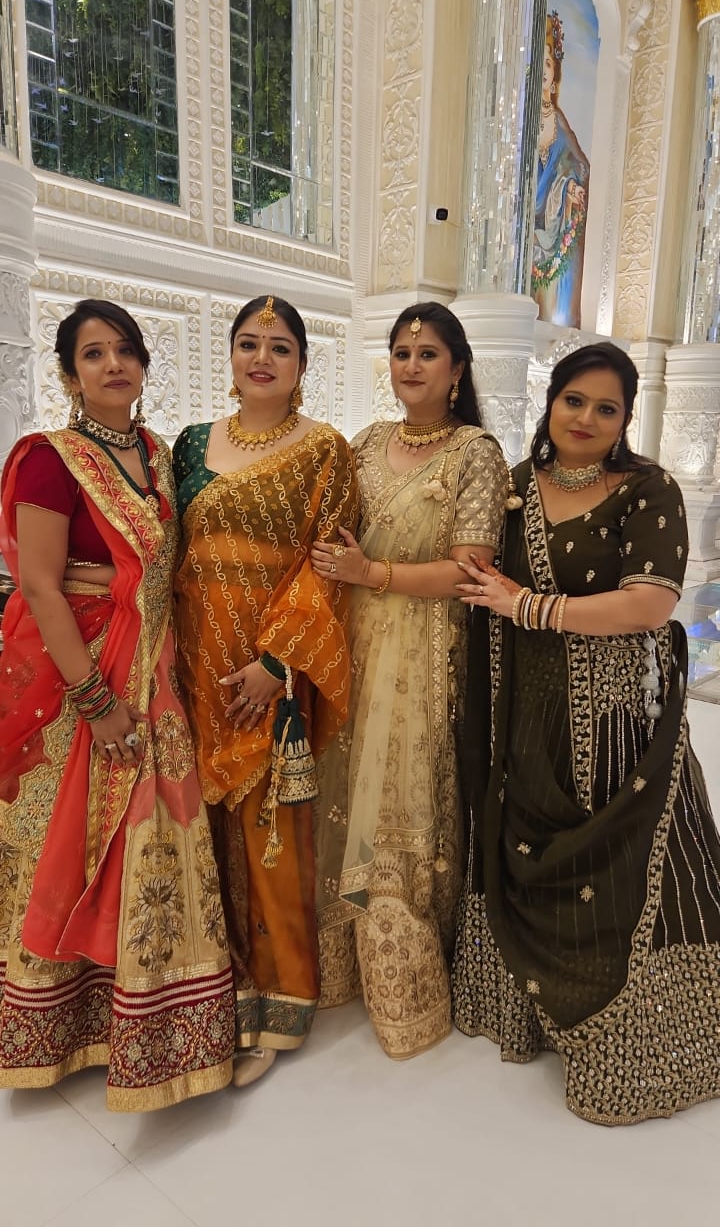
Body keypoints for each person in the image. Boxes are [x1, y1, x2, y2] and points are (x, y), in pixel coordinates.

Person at [453, 341, 720, 1125]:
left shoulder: (647, 490)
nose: (586, 418)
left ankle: (637, 1030)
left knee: (625, 869)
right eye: (574, 400)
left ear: (626, 419)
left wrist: (528, 606)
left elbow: (649, 605)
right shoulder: (512, 488)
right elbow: (467, 574)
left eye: (607, 408)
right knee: (527, 844)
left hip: (619, 717)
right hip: (525, 706)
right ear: (551, 402)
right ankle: (530, 1008)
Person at [0, 299, 235, 1111]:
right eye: (93, 353)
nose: (113, 365)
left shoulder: (159, 455)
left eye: (126, 350)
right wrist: (97, 702)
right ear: (70, 375)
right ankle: (57, 1023)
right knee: (69, 843)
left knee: (154, 834)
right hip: (83, 680)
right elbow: (39, 584)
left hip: (155, 670)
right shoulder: (50, 459)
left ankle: (151, 1020)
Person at [311, 302, 510, 1058]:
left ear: (457, 370)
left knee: (400, 800)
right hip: (353, 641)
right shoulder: (364, 442)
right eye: (401, 353)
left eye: (428, 354)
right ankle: (338, 966)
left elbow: (470, 572)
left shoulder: (474, 452)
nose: (412, 365)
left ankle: (408, 988)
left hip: (425, 648)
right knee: (340, 789)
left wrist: (371, 571)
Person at [172, 294, 358, 1087]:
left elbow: (329, 567)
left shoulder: (325, 451)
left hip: (271, 666)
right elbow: (166, 551)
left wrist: (278, 663)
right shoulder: (190, 444)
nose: (262, 358)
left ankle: (283, 1000)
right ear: (231, 355)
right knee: (200, 825)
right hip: (194, 663)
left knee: (270, 828)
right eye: (249, 343)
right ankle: (217, 990)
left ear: (303, 365)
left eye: (280, 347)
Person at [531, 11, 589, 329]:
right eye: (538, 63)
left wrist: (570, 187)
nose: (543, 69)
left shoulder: (558, 121)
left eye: (548, 63)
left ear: (555, 75)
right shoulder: (522, 118)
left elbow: (580, 163)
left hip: (552, 221)